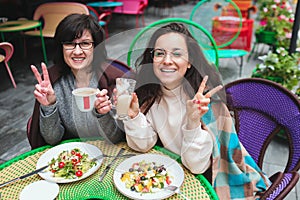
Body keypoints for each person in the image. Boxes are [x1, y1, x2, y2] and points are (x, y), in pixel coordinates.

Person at [122, 22, 270, 199]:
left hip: (207, 182)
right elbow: (144, 144)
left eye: (176, 54)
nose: (166, 60)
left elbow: (197, 166)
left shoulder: (206, 103)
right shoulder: (151, 94)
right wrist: (133, 117)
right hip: (170, 176)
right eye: (159, 53)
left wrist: (193, 122)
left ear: (190, 62)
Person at [27, 14, 129, 149]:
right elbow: (52, 139)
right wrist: (49, 106)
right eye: (69, 44)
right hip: (73, 155)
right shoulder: (53, 82)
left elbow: (117, 138)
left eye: (85, 43)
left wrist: (103, 114)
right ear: (61, 47)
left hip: (110, 152)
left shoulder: (114, 81)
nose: (77, 51)